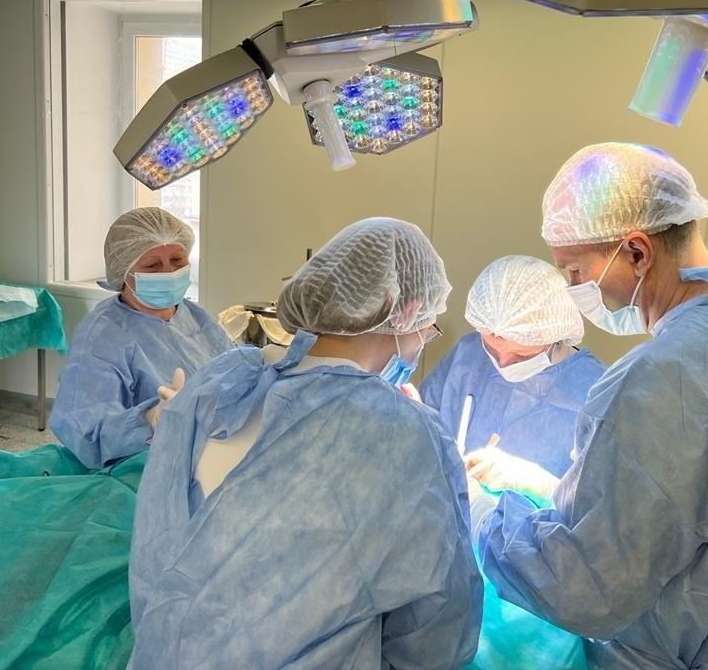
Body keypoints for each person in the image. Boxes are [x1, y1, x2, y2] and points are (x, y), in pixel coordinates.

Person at [468, 143, 708, 669]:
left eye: (575, 271)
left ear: (637, 252)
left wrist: (480, 511)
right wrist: (550, 486)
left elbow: (583, 586)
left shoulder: (657, 381)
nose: (573, 289)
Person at [129, 217, 482, 670]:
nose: (422, 342)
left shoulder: (219, 381)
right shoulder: (407, 433)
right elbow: (435, 626)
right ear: (403, 308)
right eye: (427, 326)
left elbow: (154, 562)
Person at [50, 207, 231, 469]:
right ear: (123, 271)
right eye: (152, 266)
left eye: (177, 260)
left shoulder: (194, 315)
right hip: (143, 472)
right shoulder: (102, 337)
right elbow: (85, 434)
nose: (168, 272)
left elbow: (230, 372)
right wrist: (150, 419)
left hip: (211, 455)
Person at [421, 255, 605, 488]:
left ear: (554, 335)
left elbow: (600, 498)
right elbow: (422, 433)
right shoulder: (466, 355)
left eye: (520, 356)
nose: (503, 364)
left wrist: (543, 487)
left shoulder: (596, 392)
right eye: (492, 349)